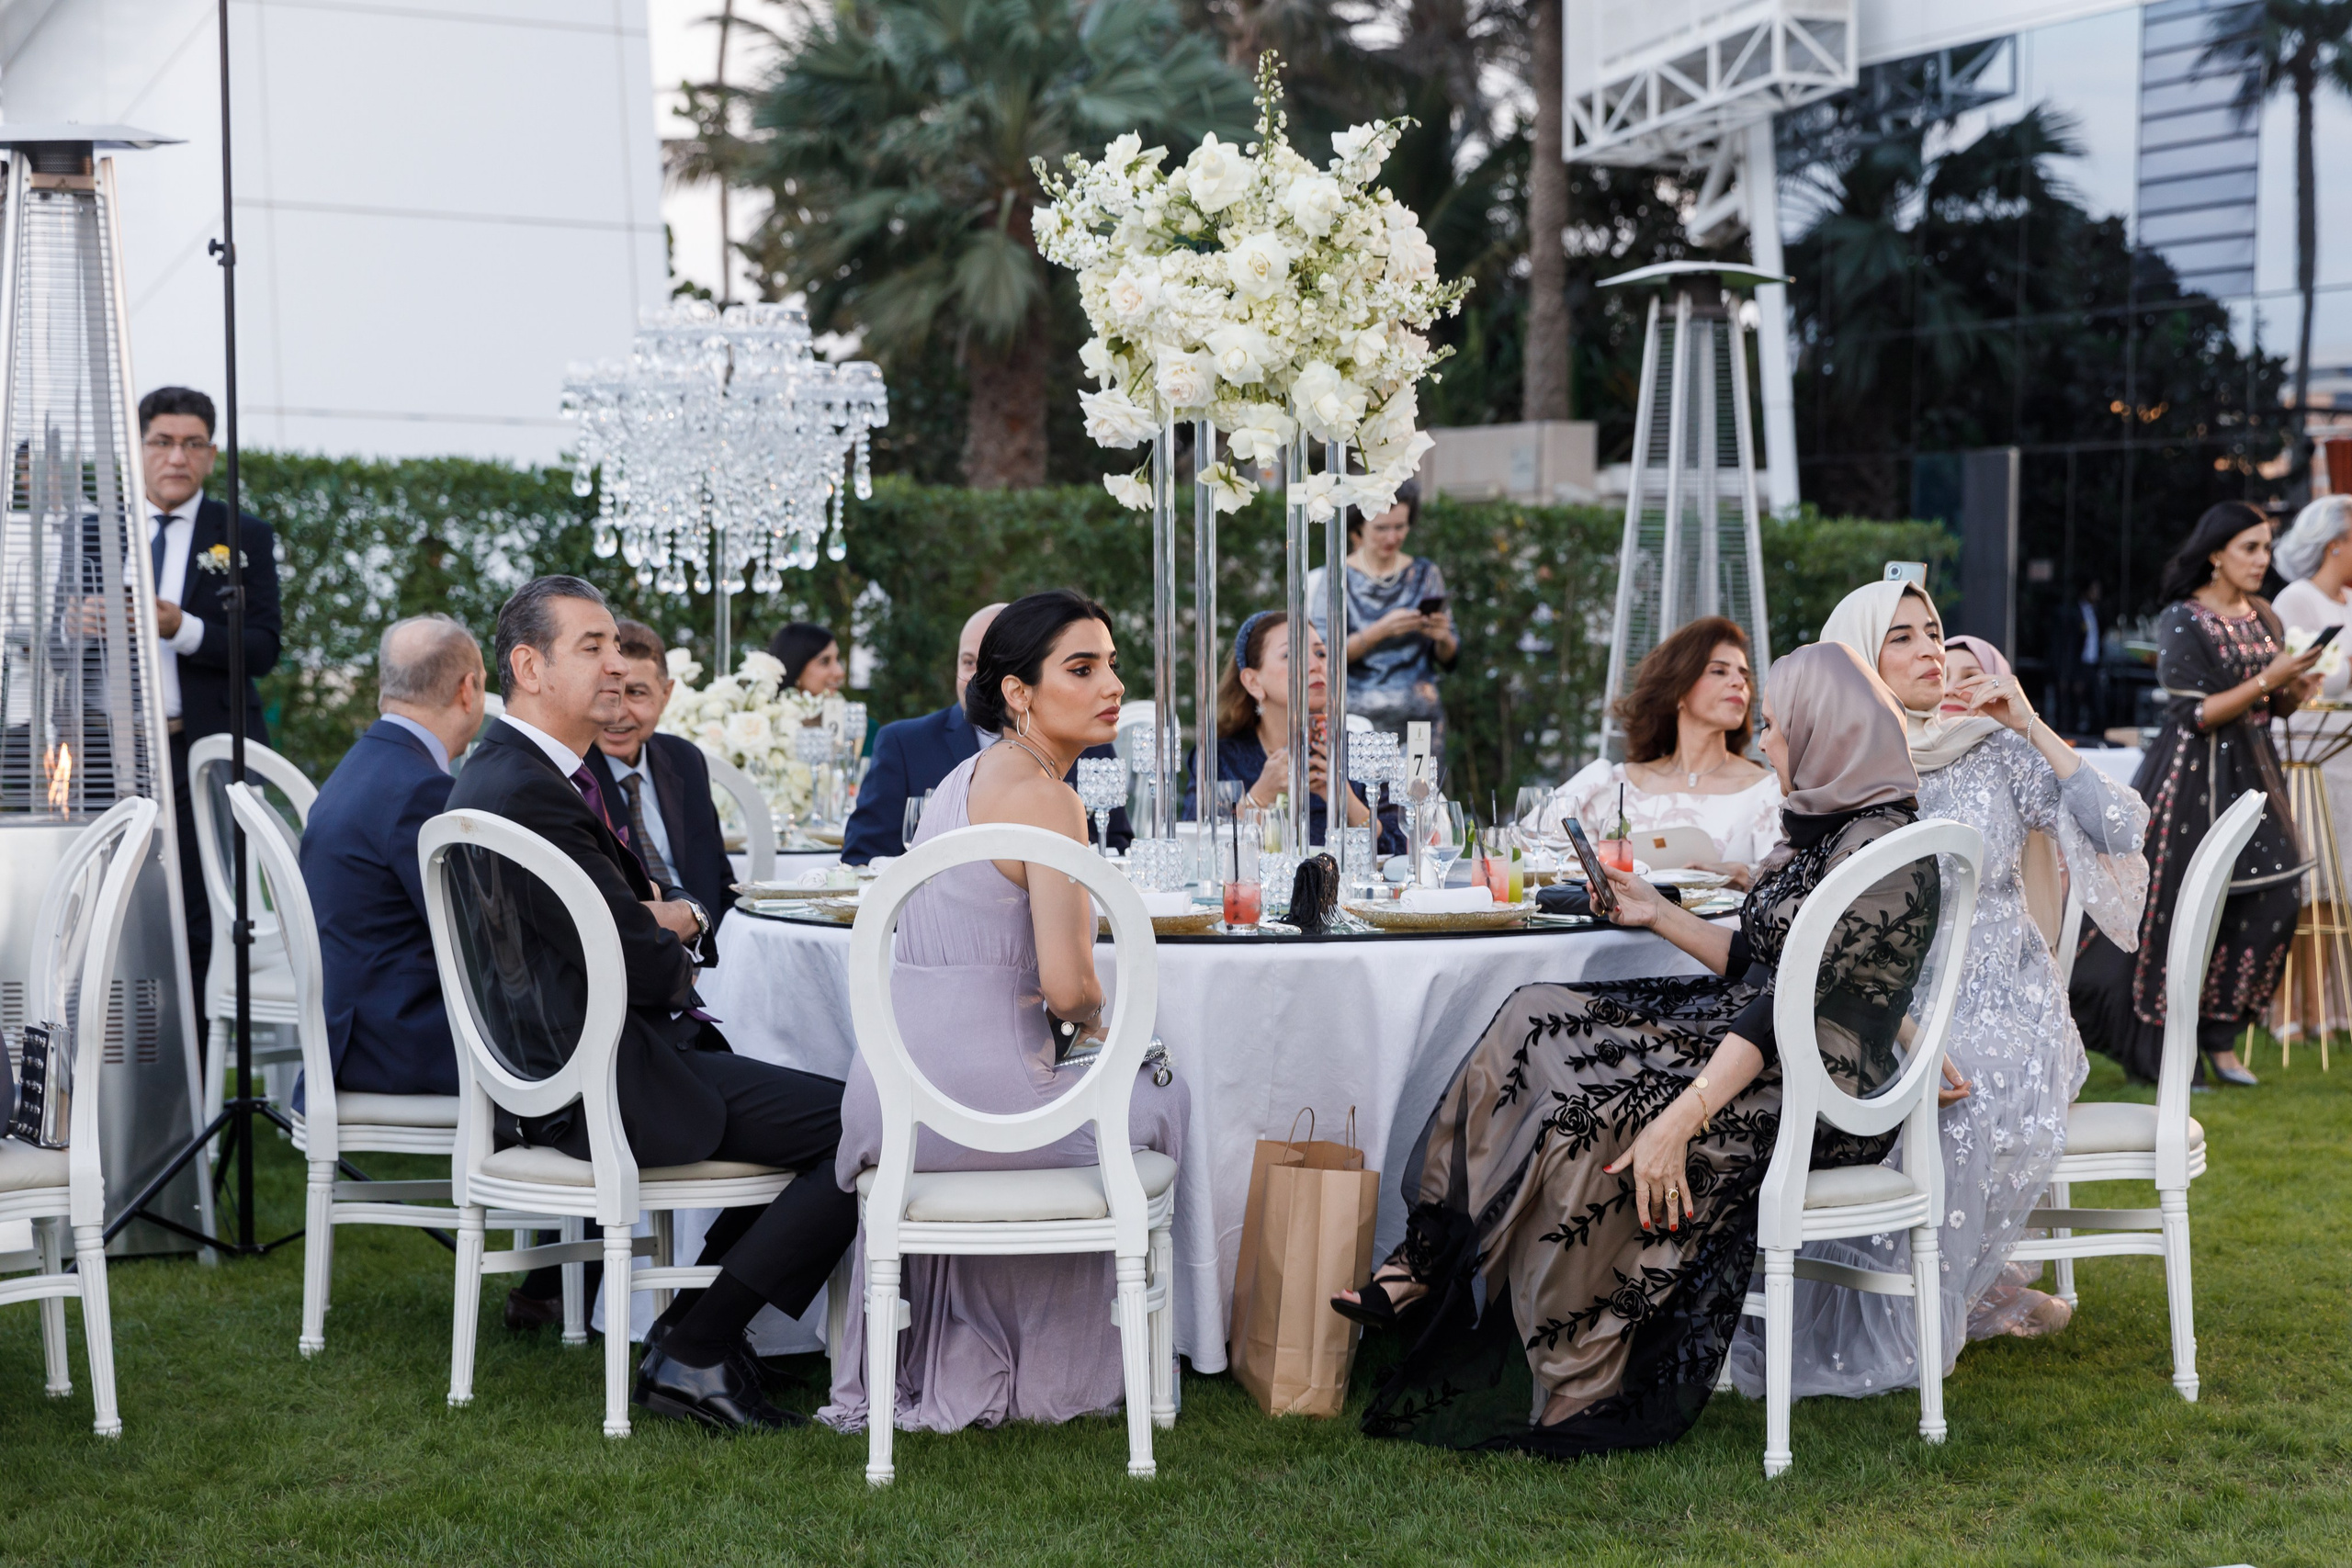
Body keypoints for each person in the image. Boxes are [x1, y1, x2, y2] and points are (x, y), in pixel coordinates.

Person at [1340, 641, 1939, 1458]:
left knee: (1599, 1117)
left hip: (1816, 1088)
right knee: (1536, 1010)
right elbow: (1757, 964)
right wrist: (1653, 912)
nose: (1766, 744)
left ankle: (1580, 1376)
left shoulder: (1880, 850)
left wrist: (1681, 1118)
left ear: (1824, 726)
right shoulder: (1820, 826)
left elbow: (1791, 1003)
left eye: (1776, 727)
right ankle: (1425, 1258)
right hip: (1751, 1034)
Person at [1720, 583, 2149, 1406]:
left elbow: (2122, 832)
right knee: (1829, 1088)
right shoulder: (1849, 761)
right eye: (1902, 638)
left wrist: (2027, 718)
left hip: (2008, 1005)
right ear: (1859, 662)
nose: (1929, 650)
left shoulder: (1992, 749)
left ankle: (1934, 1301)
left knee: (1965, 1098)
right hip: (1888, 1011)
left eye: (1936, 632)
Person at [447, 575, 857, 1433]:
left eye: (619, 646)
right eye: (590, 647)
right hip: (598, 1079)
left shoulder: (542, 769)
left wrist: (671, 915)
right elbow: (641, 955)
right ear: (528, 665)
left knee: (822, 1110)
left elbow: (654, 903)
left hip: (595, 1061)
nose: (615, 663)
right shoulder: (526, 789)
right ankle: (697, 1342)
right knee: (859, 1126)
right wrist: (679, 922)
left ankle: (692, 1332)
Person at [821, 589, 1189, 1433]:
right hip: (986, 1107)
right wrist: (1109, 1029)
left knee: (1127, 1079)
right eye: (1083, 667)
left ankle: (990, 1346)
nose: (1112, 686)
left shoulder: (967, 776)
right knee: (1166, 1091)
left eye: (1113, 666)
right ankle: (1078, 1366)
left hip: (900, 1097)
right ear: (1018, 691)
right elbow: (1068, 989)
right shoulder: (1051, 798)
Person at [2072, 502, 2323, 1088]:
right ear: (2216, 553)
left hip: (2258, 776)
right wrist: (2270, 676)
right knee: (2179, 910)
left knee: (2275, 900)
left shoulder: (2262, 615)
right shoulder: (2182, 619)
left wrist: (2297, 685)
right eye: (2250, 548)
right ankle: (2159, 1045)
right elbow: (2197, 713)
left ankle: (2221, 1035)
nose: (2263, 560)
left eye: (2266, 548)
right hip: (2193, 781)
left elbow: (2272, 705)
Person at [299, 615, 484, 1103]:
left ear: (387, 686)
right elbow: (473, 931)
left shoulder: (364, 764)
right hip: (400, 1042)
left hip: (355, 1029)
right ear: (469, 690)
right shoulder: (421, 787)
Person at [141, 386, 282, 1010]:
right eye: (163, 442)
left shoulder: (242, 533)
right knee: (121, 914)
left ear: (212, 451)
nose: (177, 457)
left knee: (203, 919)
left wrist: (183, 628)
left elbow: (263, 646)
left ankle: (196, 1092)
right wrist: (74, 622)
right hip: (114, 756)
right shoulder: (97, 529)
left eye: (192, 443)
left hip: (203, 750)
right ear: (139, 446)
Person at [842, 603, 1134, 863]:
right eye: (970, 663)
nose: (981, 678)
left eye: (1112, 665)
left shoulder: (1088, 737)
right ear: (1016, 690)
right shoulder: (906, 745)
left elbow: (1117, 847)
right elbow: (863, 858)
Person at [1533, 616, 1782, 887]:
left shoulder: (1767, 791)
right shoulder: (1615, 783)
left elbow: (1792, 890)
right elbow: (1535, 850)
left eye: (1744, 675)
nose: (1739, 682)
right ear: (1679, 690)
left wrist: (1744, 876)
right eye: (1719, 671)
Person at [1185, 609, 1404, 855]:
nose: (1315, 665)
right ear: (1253, 682)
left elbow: (1400, 848)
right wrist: (1260, 797)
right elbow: (1197, 852)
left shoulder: (1360, 754)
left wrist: (1344, 799)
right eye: (1291, 654)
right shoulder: (1219, 758)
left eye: (1320, 652)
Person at [588, 619, 736, 943]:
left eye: (636, 693)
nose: (617, 712)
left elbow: (721, 884)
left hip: (709, 952)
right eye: (609, 692)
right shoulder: (573, 773)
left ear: (666, 694)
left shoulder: (684, 760)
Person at [1306, 480, 1456, 759]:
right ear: (1359, 529)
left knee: (1419, 796)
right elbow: (1323, 656)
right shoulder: (1335, 577)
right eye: (1381, 528)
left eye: (1400, 527)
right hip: (1356, 725)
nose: (1391, 537)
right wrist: (1380, 631)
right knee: (1363, 801)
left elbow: (1449, 658)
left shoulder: (1426, 574)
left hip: (1419, 723)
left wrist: (1443, 636)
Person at [768, 622, 847, 696]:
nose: (839, 672)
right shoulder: (765, 709)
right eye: (824, 662)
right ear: (796, 665)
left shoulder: (846, 709)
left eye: (838, 660)